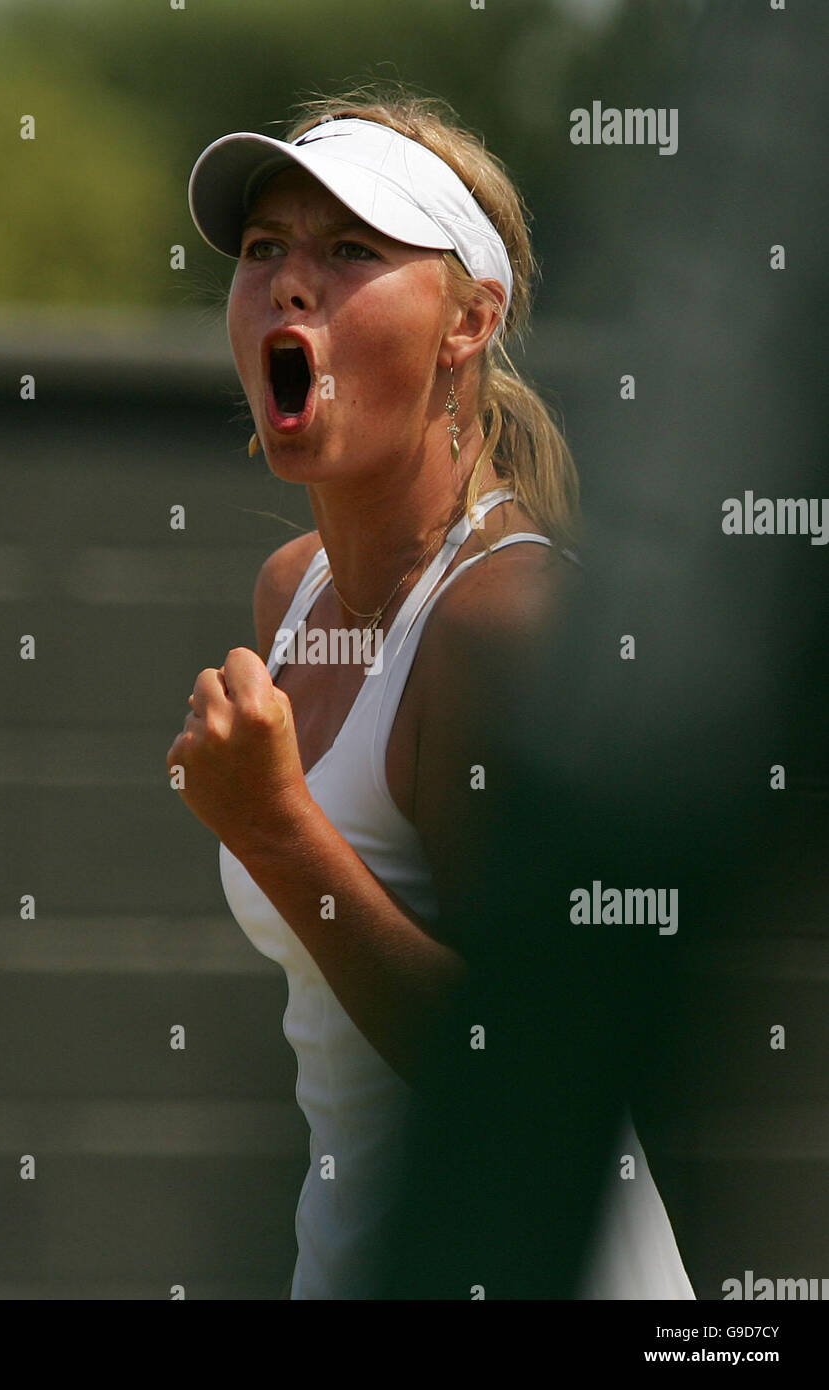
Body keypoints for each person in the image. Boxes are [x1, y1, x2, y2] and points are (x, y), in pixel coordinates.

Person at [169, 87, 695, 1299]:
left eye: (352, 250)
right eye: (265, 252)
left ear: (470, 321)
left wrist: (275, 828)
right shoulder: (289, 592)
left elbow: (525, 1079)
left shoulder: (501, 618)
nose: (291, 287)